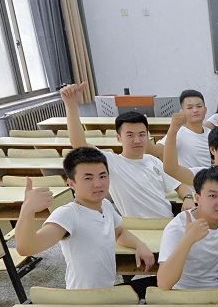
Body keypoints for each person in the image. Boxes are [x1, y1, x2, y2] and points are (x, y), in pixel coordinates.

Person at [15, 147, 155, 289]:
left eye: (102, 176)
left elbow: (119, 233)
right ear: (71, 183)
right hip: (82, 296)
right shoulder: (68, 214)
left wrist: (140, 245)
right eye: (88, 178)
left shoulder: (105, 205)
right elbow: (26, 248)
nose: (98, 184)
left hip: (106, 291)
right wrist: (27, 210)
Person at [60, 82, 193, 218]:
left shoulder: (153, 161)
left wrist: (188, 198)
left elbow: (178, 185)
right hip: (137, 227)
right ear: (118, 138)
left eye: (142, 134)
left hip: (167, 221)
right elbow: (79, 144)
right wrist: (71, 105)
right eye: (130, 135)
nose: (137, 140)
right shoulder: (111, 162)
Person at [157, 166, 218, 291]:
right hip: (181, 294)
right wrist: (188, 239)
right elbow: (164, 284)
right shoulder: (178, 227)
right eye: (213, 196)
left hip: (213, 291)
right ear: (197, 198)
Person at [152, 89, 211, 170]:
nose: (195, 110)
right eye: (190, 108)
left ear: (205, 110)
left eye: (199, 106)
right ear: (182, 112)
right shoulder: (178, 133)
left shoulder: (210, 133)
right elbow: (155, 151)